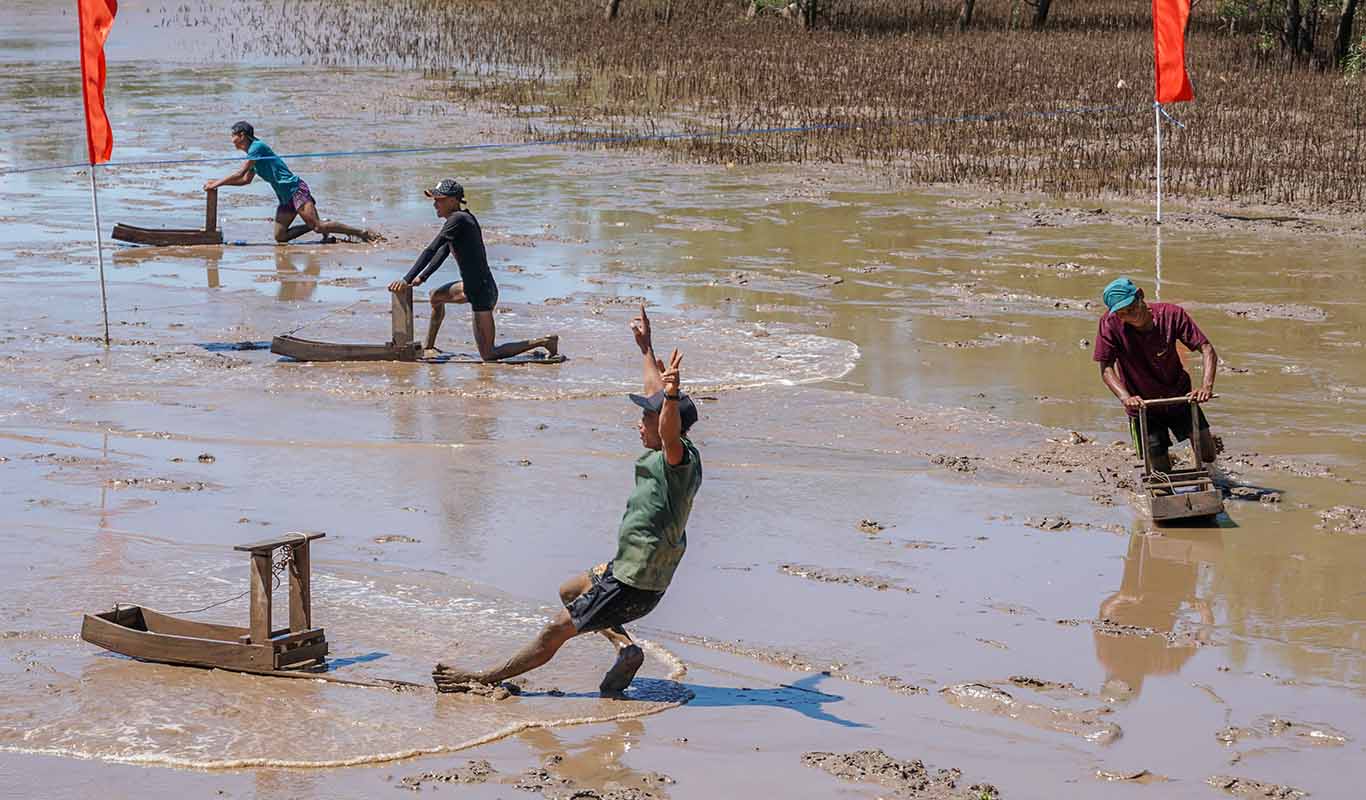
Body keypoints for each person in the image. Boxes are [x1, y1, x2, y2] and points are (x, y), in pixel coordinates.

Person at [433, 305, 702, 696]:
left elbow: (666, 420)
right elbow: (655, 400)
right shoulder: (679, 447)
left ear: (665, 425)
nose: (637, 423)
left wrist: (672, 396)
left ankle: (479, 678)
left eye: (646, 419)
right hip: (639, 569)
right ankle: (626, 650)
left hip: (633, 582)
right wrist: (646, 349)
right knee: (572, 589)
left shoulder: (674, 458)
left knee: (554, 631)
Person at [387, 179, 558, 361]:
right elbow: (443, 251)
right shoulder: (459, 219)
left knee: (489, 354)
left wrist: (406, 279)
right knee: (435, 298)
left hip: (482, 293)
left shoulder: (458, 219)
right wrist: (422, 277)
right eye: (434, 200)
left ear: (453, 201)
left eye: (440, 200)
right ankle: (429, 346)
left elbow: (432, 248)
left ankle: (544, 341)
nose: (435, 204)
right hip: (470, 287)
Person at [1093, 277, 1223, 475]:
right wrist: (1125, 397)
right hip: (1143, 405)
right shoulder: (1110, 325)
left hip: (1179, 395)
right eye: (1123, 313)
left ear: (1140, 295)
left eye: (1131, 307)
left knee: (1207, 453)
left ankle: (1214, 476)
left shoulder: (1171, 315)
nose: (1130, 315)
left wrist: (1206, 387)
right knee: (1160, 468)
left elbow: (1206, 348)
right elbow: (1106, 368)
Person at [204, 121, 381, 244]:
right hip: (285, 197)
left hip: (296, 190)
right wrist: (221, 183)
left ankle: (361, 233)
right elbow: (245, 180)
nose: (231, 139)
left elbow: (240, 172)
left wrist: (216, 183)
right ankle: (318, 223)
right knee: (280, 236)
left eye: (232, 135)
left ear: (241, 135)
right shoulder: (253, 154)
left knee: (318, 227)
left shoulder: (256, 148)